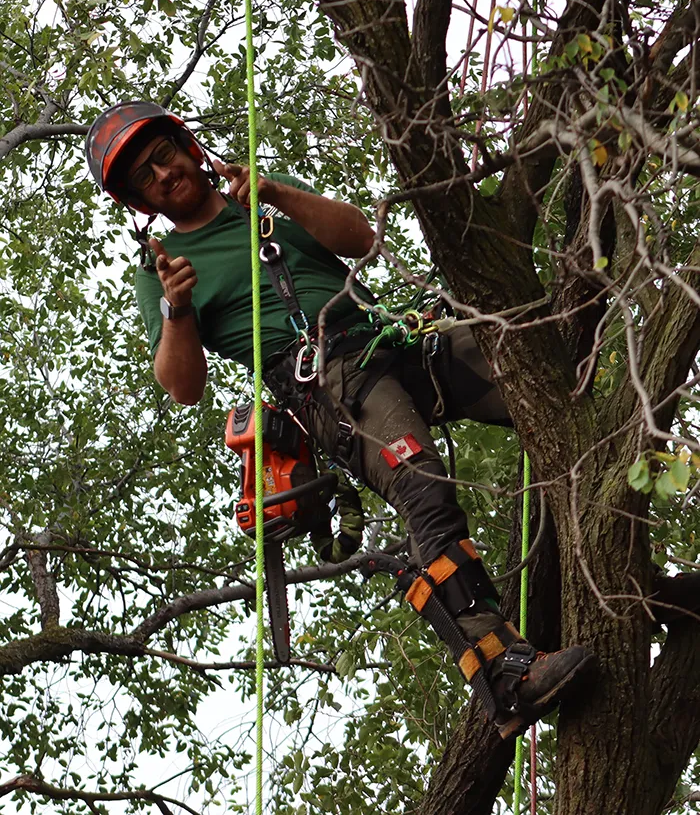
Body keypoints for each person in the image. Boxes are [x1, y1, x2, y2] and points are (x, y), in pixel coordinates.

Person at [86, 100, 598, 740]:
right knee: (422, 485)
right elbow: (182, 386)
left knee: (544, 361)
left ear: (186, 146)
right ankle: (504, 671)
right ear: (141, 202)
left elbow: (362, 239)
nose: (160, 174)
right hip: (326, 381)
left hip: (394, 340)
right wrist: (177, 309)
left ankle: (631, 566)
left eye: (161, 155)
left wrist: (275, 192)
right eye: (142, 177)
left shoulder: (265, 206)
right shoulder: (163, 276)